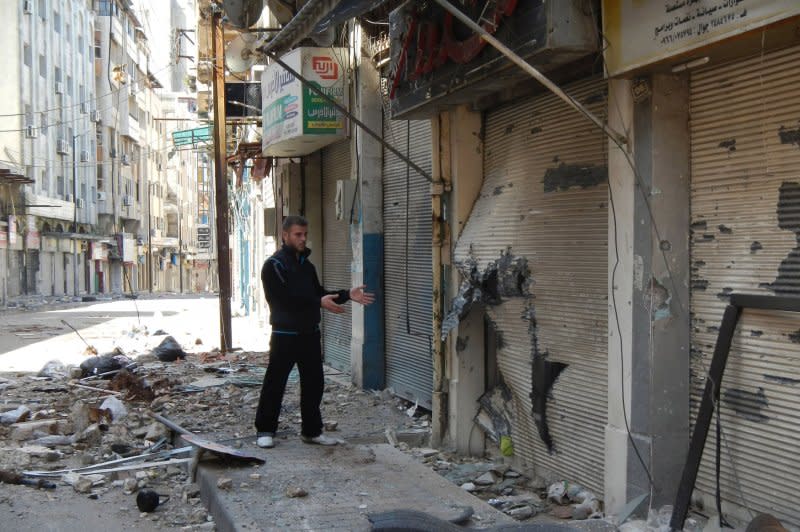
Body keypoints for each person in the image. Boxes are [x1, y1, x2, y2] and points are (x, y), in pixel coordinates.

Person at [254, 215, 375, 448]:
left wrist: (347, 294)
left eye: (305, 234)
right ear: (285, 235)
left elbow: (318, 293)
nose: (303, 239)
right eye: (298, 234)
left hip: (309, 333)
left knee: (314, 383)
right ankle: (265, 430)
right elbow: (284, 298)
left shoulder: (307, 266)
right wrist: (318, 302)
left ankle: (311, 431)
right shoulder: (273, 266)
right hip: (285, 335)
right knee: (275, 382)